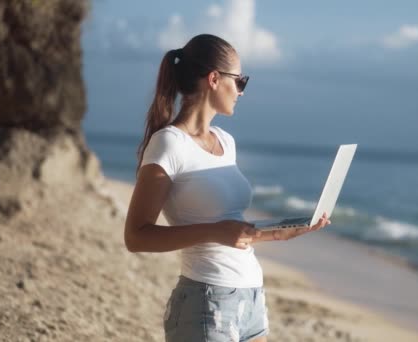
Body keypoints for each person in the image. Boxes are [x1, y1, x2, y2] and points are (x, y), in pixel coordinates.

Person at [124, 34, 331, 342]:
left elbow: (230, 228)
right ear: (214, 79)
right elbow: (136, 236)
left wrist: (277, 233)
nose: (241, 92)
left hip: (251, 298)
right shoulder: (169, 143)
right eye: (240, 81)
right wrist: (213, 231)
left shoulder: (225, 142)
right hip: (205, 301)